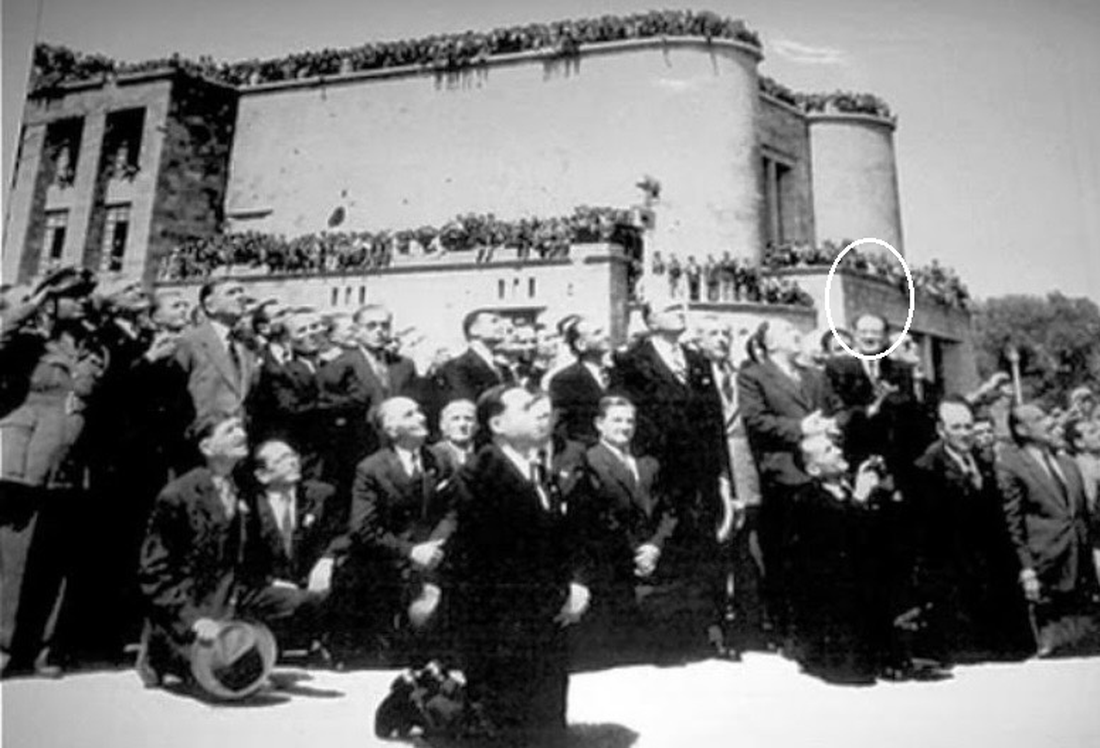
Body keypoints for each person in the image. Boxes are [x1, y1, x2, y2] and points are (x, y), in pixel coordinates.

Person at [135, 415, 323, 689]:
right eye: (229, 430)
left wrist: (270, 582)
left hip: (235, 593)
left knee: (303, 601)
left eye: (241, 428)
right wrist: (193, 620)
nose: (241, 434)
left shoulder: (244, 488)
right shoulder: (178, 494)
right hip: (193, 603)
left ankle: (240, 645)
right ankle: (161, 649)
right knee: (223, 683)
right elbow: (154, 573)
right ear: (207, 447)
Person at [448, 385, 590, 747]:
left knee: (546, 719)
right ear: (497, 424)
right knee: (509, 721)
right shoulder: (479, 474)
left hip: (545, 615)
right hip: (505, 624)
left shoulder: (538, 469)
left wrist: (575, 584)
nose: (540, 413)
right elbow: (493, 557)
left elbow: (564, 537)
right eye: (526, 408)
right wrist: (554, 594)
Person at [1, 267, 104, 677]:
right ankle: (4, 646)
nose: (82, 301)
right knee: (13, 562)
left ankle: (43, 647)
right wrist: (32, 304)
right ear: (51, 301)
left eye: (84, 295)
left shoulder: (92, 347)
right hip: (24, 464)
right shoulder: (27, 341)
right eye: (72, 295)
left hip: (69, 467)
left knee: (55, 561)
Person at [736, 319, 841, 642]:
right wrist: (800, 429)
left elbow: (837, 408)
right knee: (786, 554)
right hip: (786, 474)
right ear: (769, 344)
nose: (796, 334)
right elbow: (755, 419)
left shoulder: (815, 375)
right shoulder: (754, 376)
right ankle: (787, 627)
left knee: (824, 551)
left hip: (824, 468)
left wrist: (833, 425)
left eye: (796, 330)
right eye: (786, 332)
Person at [911, 397, 1032, 662]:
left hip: (988, 577)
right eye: (956, 427)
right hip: (954, 580)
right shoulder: (927, 468)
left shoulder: (983, 462)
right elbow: (930, 535)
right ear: (941, 430)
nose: (965, 433)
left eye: (968, 426)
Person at [341, 397, 457, 660]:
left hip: (437, 556)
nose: (421, 417)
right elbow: (363, 527)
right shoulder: (371, 469)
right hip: (390, 561)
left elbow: (453, 510)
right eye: (409, 414)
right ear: (391, 429)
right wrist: (411, 551)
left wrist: (434, 546)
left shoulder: (441, 460)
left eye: (419, 410)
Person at [573, 396, 676, 664]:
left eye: (630, 421)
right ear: (599, 423)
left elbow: (668, 510)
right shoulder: (591, 461)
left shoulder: (649, 464)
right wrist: (636, 552)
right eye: (617, 420)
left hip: (652, 561)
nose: (625, 427)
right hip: (615, 566)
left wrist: (655, 545)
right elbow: (597, 517)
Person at [996, 403, 1100, 656]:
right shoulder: (1012, 466)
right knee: (1054, 650)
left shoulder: (1067, 464)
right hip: (1046, 567)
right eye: (1040, 419)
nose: (1050, 422)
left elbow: (1081, 516)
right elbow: (1013, 522)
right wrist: (1027, 568)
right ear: (1021, 429)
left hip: (1079, 567)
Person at [786, 434, 886, 684]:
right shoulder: (808, 499)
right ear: (813, 468)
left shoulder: (848, 488)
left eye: (836, 446)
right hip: (833, 592)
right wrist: (859, 499)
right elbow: (840, 534)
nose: (839, 451)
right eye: (829, 450)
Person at [172, 278, 257, 431]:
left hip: (242, 434)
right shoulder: (189, 341)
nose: (241, 297)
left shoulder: (246, 344)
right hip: (205, 435)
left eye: (241, 291)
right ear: (210, 306)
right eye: (231, 293)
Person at [548, 315, 609, 445]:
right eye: (597, 333)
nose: (606, 336)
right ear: (581, 344)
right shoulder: (566, 380)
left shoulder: (619, 373)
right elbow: (562, 426)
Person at [435, 309, 512, 406]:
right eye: (494, 322)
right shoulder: (457, 367)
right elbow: (465, 404)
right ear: (474, 330)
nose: (502, 327)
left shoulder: (503, 367)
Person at [429, 398, 477, 471]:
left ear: (477, 425)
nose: (462, 424)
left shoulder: (487, 454)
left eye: (468, 419)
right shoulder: (432, 456)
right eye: (455, 419)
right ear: (443, 425)